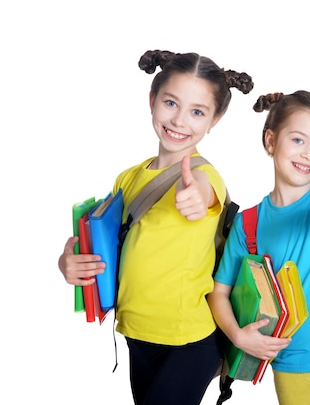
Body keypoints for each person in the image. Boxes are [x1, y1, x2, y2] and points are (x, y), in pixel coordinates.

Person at [57, 49, 254, 405]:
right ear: (152, 100)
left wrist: (194, 197)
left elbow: (204, 194)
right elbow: (102, 242)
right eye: (171, 103)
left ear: (215, 120)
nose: (180, 120)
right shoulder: (128, 178)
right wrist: (68, 262)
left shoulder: (205, 177)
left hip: (189, 339)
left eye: (197, 112)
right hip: (136, 332)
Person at [208, 90, 310, 405]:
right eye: (298, 140)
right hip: (288, 364)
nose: (309, 154)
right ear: (270, 141)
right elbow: (218, 293)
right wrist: (238, 335)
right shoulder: (247, 224)